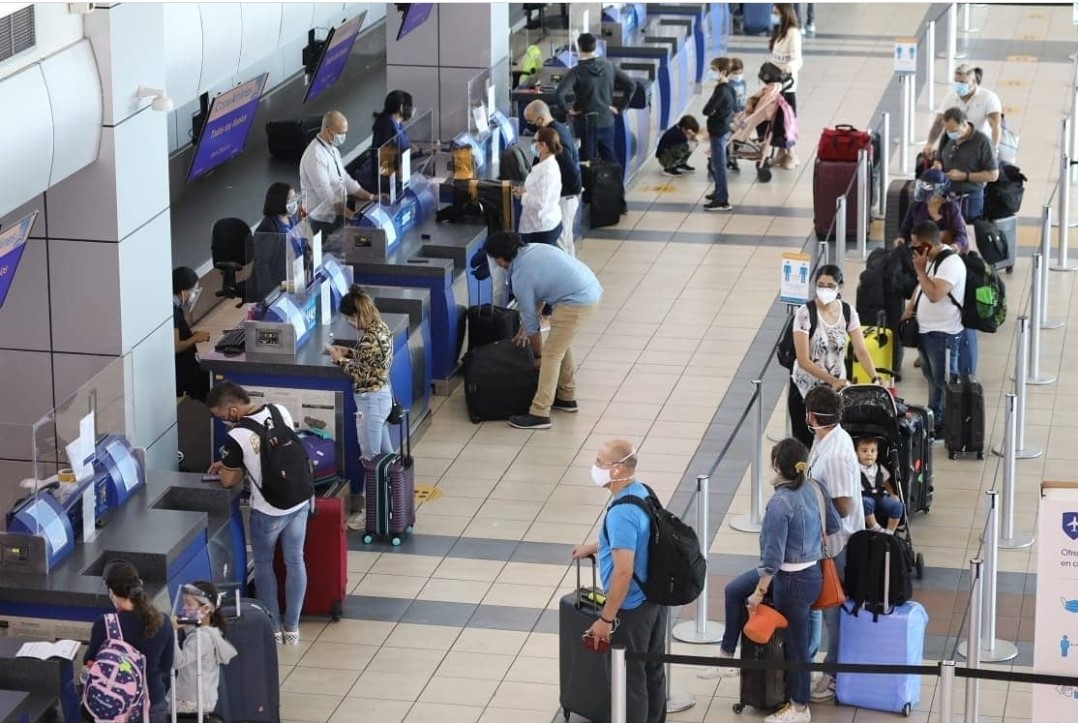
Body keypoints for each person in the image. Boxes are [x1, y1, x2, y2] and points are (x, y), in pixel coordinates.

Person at [703, 438, 840, 723]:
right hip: (811, 573)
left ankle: (799, 707)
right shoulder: (816, 488)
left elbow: (773, 558)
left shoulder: (780, 503)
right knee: (733, 590)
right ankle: (727, 657)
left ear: (777, 465)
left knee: (796, 645)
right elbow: (834, 524)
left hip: (790, 580)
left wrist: (759, 591)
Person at [205, 382, 310, 645]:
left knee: (263, 563)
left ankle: (273, 628)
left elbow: (228, 480)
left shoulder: (237, 435)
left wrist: (228, 464)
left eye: (221, 416)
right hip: (299, 500)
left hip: (268, 510)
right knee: (295, 561)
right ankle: (292, 628)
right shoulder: (279, 411)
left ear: (232, 409)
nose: (222, 421)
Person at [570, 440, 666, 723]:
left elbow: (623, 572)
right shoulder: (642, 492)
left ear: (617, 469)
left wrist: (606, 618)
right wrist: (596, 546)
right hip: (654, 598)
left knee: (629, 680)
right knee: (652, 669)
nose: (595, 466)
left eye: (600, 461)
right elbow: (637, 539)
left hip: (632, 608)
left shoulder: (621, 512)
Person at [483, 231, 602, 430]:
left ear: (501, 258)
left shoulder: (520, 276)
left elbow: (532, 325)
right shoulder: (532, 250)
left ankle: (540, 413)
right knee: (560, 344)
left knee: (551, 355)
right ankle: (566, 397)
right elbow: (541, 293)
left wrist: (537, 356)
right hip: (588, 289)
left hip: (576, 301)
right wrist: (528, 324)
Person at [802, 385, 863, 704]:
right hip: (825, 543)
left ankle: (833, 673)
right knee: (821, 607)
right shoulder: (825, 438)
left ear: (812, 416)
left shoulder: (837, 453)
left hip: (839, 545)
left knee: (833, 613)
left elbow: (843, 507)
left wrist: (810, 508)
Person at [789, 265, 881, 448]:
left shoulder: (847, 312)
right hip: (805, 390)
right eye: (820, 285)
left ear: (840, 287)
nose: (824, 290)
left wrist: (875, 378)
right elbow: (803, 360)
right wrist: (833, 381)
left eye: (830, 286)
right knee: (805, 445)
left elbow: (861, 350)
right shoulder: (805, 314)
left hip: (834, 393)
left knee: (832, 443)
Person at [84, 561, 174, 723]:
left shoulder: (105, 624)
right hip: (152, 702)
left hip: (114, 706)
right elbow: (166, 665)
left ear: (111, 593)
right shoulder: (163, 621)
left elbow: (89, 660)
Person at [901, 222, 966, 434]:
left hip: (943, 334)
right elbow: (921, 286)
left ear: (927, 244)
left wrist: (920, 270)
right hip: (926, 331)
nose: (913, 249)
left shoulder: (951, 263)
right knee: (931, 378)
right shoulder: (931, 259)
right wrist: (910, 308)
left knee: (944, 381)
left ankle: (948, 425)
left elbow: (935, 294)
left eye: (916, 245)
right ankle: (934, 418)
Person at [326, 285, 395, 462]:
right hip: (382, 396)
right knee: (387, 456)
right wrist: (349, 352)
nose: (348, 322)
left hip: (371, 402)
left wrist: (339, 360)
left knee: (370, 458)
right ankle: (395, 481)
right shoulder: (381, 327)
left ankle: (375, 483)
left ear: (357, 315)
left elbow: (359, 374)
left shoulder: (368, 339)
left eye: (348, 318)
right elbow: (372, 360)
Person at [553, 32, 637, 163]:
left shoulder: (577, 71)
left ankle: (588, 177)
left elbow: (559, 93)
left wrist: (568, 110)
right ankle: (613, 176)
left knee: (585, 160)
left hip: (584, 122)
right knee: (609, 156)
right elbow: (631, 85)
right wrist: (620, 108)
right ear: (595, 46)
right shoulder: (609, 65)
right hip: (606, 120)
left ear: (579, 48)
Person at [298, 110, 382, 238]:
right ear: (328, 131)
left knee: (360, 241)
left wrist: (370, 197)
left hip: (336, 215)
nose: (343, 136)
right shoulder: (315, 156)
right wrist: (351, 215)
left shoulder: (332, 149)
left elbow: (345, 179)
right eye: (340, 133)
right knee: (356, 243)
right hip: (320, 223)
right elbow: (326, 195)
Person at [523, 100, 582, 256]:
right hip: (565, 196)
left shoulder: (554, 137)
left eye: (530, 121)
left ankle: (565, 271)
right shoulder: (557, 129)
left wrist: (574, 191)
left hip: (564, 198)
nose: (528, 126)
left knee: (561, 246)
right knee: (566, 243)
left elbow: (569, 169)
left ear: (540, 119)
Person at [171, 581, 237, 716]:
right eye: (183, 603)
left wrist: (173, 632)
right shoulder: (209, 631)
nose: (184, 608)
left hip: (191, 700)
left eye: (189, 604)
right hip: (203, 698)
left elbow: (178, 662)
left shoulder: (201, 637)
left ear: (205, 609)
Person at [933, 106, 999, 222]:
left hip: (970, 200)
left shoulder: (982, 142)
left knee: (967, 231)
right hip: (946, 196)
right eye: (947, 130)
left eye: (954, 131)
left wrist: (964, 176)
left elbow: (993, 175)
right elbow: (939, 158)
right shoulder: (947, 136)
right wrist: (937, 166)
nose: (951, 134)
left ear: (964, 124)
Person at [924, 64, 1002, 159]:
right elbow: (939, 122)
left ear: (973, 81)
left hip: (979, 146)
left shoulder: (988, 98)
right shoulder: (951, 97)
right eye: (956, 81)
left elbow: (995, 126)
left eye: (962, 82)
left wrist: (994, 150)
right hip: (955, 145)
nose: (958, 85)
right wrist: (930, 143)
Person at [896, 169, 968, 253]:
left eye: (929, 186)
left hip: (942, 252)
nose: (924, 190)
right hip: (918, 252)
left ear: (940, 189)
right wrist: (900, 238)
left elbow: (961, 235)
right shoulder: (916, 205)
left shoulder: (951, 207)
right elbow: (904, 229)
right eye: (923, 185)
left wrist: (956, 246)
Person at [514, 126, 563, 247]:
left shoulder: (548, 170)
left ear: (543, 145)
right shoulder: (543, 165)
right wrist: (525, 191)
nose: (532, 145)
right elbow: (539, 190)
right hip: (537, 225)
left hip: (542, 228)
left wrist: (523, 196)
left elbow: (540, 203)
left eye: (534, 141)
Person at [768, 4, 803, 168]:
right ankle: (781, 153)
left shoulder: (793, 33)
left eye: (776, 13)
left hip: (786, 85)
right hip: (774, 83)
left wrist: (787, 69)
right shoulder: (779, 30)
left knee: (786, 121)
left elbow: (797, 60)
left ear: (784, 13)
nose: (774, 16)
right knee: (777, 121)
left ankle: (792, 155)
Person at [702, 58, 736, 212]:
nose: (711, 72)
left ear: (723, 72)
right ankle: (718, 192)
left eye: (713, 70)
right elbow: (733, 108)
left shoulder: (721, 91)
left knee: (719, 165)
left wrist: (713, 111)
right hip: (723, 128)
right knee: (716, 163)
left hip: (718, 131)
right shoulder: (729, 88)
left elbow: (706, 110)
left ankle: (722, 200)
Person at [172, 267, 210, 403]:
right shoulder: (173, 312)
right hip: (185, 370)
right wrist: (195, 338)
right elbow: (175, 346)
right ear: (183, 292)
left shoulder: (174, 308)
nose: (194, 295)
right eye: (193, 291)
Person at [856, 437, 903, 534]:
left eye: (872, 451)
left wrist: (892, 494)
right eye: (864, 451)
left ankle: (890, 532)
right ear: (857, 454)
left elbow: (886, 483)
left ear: (877, 454)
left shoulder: (879, 467)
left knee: (897, 505)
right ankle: (875, 527)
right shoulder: (855, 468)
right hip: (864, 495)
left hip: (880, 495)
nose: (869, 454)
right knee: (865, 503)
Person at [726, 57, 748, 173]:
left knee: (738, 137)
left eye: (740, 73)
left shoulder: (743, 83)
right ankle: (728, 158)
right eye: (735, 73)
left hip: (740, 114)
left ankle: (733, 158)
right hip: (731, 116)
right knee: (729, 137)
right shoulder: (728, 85)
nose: (738, 76)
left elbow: (743, 97)